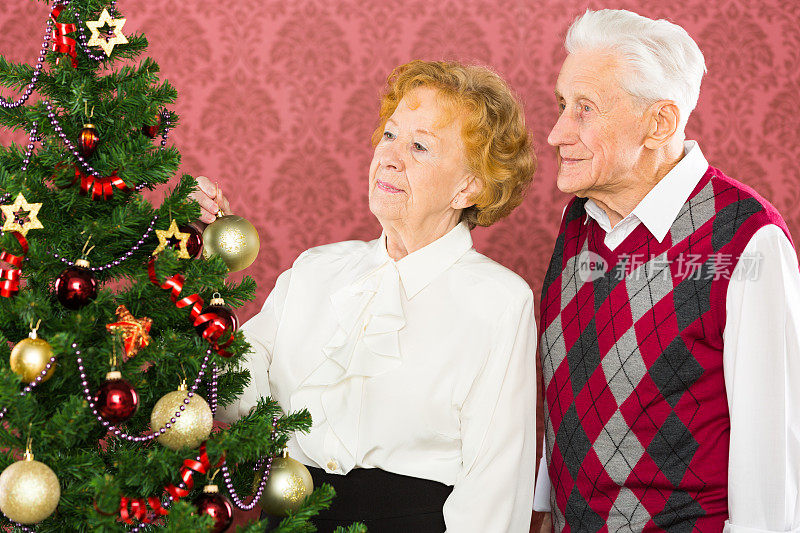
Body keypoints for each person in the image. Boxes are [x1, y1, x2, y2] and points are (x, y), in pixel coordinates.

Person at [194, 59, 538, 532]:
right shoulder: (315, 269)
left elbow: (495, 488)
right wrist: (197, 264)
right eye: (390, 136)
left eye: (420, 146)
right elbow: (230, 395)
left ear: (468, 186)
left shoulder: (501, 302)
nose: (390, 157)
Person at [534, 8, 800, 532]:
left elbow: (774, 464)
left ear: (659, 123)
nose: (556, 134)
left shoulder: (747, 239)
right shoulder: (577, 219)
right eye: (563, 105)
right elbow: (574, 392)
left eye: (584, 109)